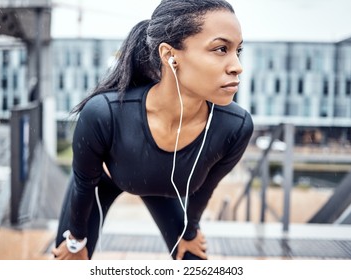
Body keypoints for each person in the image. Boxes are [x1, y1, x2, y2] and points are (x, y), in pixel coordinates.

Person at [52, 0, 254, 260]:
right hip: (102, 180)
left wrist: (190, 231)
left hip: (162, 184)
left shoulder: (236, 127)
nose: (237, 65)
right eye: (221, 49)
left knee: (192, 259)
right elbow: (83, 183)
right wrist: (76, 241)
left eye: (238, 50)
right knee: (68, 261)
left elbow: (204, 188)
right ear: (170, 55)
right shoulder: (104, 113)